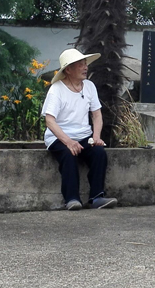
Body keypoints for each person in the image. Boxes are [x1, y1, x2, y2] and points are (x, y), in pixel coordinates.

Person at [41, 49, 118, 210]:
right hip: (59, 137)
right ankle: (71, 199)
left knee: (99, 153)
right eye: (80, 65)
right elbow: (50, 121)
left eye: (85, 64)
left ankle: (96, 198)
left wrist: (96, 137)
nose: (85, 67)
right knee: (68, 154)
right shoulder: (57, 89)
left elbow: (97, 115)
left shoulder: (89, 86)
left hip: (84, 136)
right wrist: (68, 142)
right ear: (68, 70)